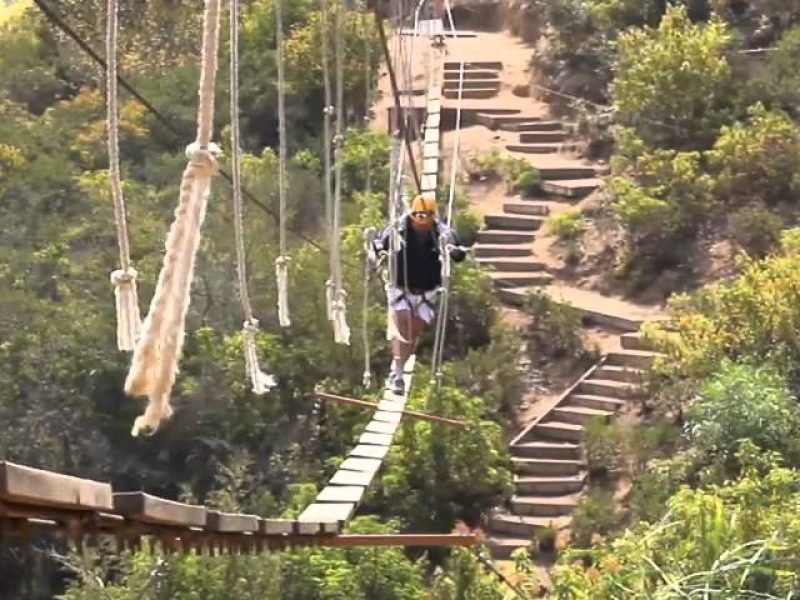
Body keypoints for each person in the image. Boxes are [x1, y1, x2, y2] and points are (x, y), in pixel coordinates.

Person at [369, 194, 467, 395]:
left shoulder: (441, 232)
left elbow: (458, 249)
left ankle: (399, 369)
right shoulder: (399, 228)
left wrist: (454, 251)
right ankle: (397, 375)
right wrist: (377, 251)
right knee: (403, 324)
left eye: (425, 223)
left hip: (427, 292)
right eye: (418, 222)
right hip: (400, 288)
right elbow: (381, 243)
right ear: (412, 216)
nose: (421, 226)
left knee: (413, 333)